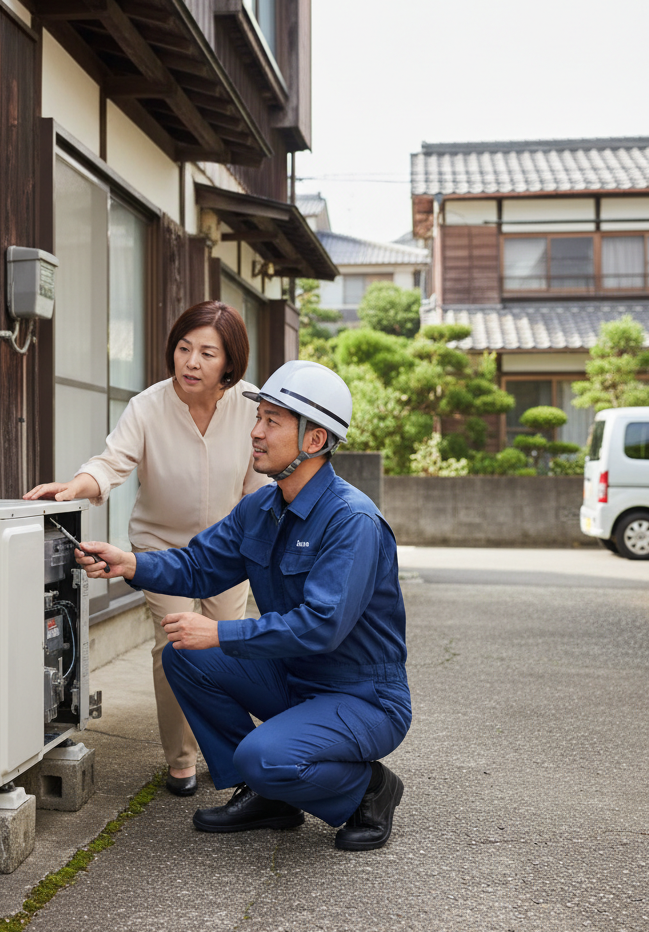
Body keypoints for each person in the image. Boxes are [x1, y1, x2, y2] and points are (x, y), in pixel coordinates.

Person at [71, 360, 411, 851]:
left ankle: (370, 789)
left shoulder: (352, 521)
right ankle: (271, 797)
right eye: (258, 418)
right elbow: (197, 566)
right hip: (296, 679)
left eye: (272, 421)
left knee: (263, 753)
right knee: (182, 656)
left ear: (314, 441)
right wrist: (130, 564)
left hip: (362, 698)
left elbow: (321, 626)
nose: (255, 432)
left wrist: (221, 632)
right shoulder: (262, 508)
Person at [24, 301, 269, 797]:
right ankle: (181, 759)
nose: (191, 362)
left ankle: (243, 755)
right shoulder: (149, 405)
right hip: (160, 548)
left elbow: (257, 489)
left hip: (228, 551)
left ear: (230, 361)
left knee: (229, 645)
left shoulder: (251, 406)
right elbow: (113, 462)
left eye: (206, 353)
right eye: (183, 349)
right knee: (177, 643)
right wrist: (78, 485)